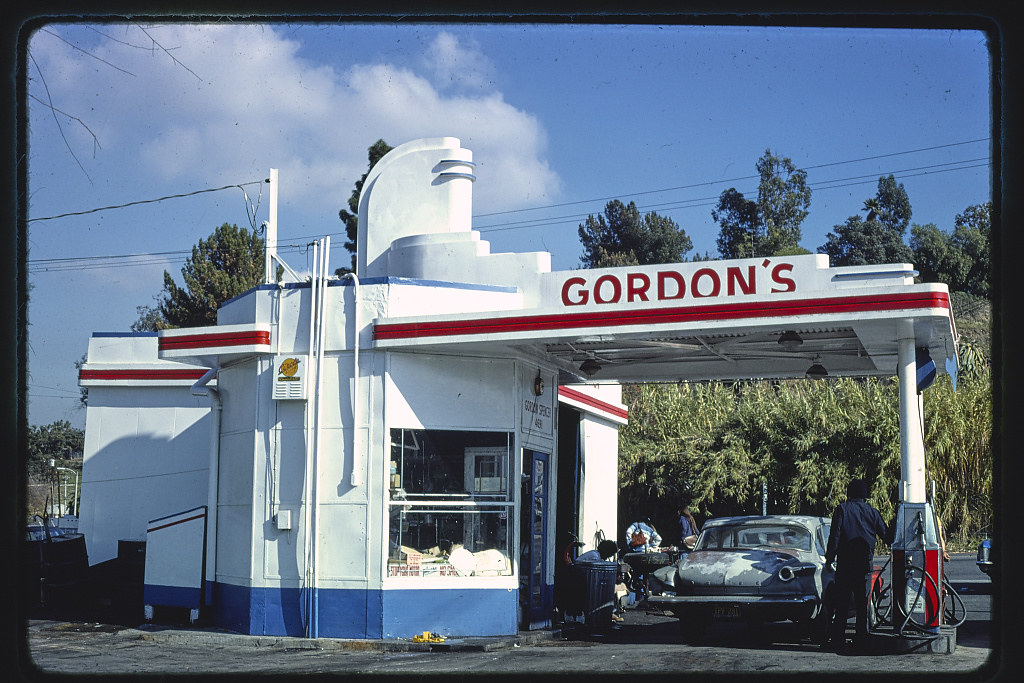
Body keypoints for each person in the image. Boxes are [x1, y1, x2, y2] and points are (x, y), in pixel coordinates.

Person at [823, 478, 892, 651]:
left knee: (842, 603)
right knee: (863, 604)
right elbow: (886, 535)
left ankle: (838, 640)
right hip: (865, 565)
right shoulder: (873, 512)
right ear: (864, 494)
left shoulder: (842, 510)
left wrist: (829, 559)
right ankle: (862, 640)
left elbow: (835, 537)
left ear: (849, 493)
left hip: (845, 565)